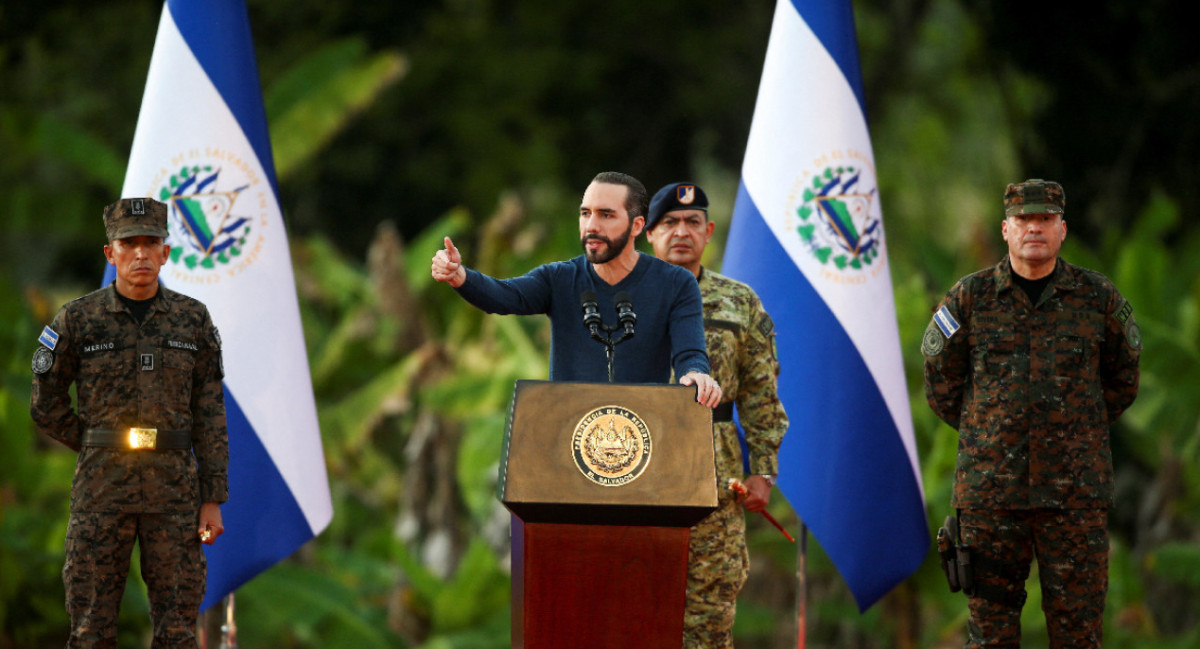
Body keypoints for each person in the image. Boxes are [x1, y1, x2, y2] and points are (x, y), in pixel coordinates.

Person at [922, 179, 1140, 648]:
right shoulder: (970, 299)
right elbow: (941, 385)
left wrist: (1073, 430)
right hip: (991, 497)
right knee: (991, 636)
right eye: (1024, 219)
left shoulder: (1097, 299)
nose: (1034, 228)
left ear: (1062, 230)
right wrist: (992, 430)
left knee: (1079, 634)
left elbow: (1123, 381)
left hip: (1075, 496)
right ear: (1005, 229)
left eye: (1045, 219)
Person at [31, 197, 228, 649]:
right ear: (110, 253)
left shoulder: (192, 320)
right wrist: (94, 442)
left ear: (166, 252)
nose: (140, 253)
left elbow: (210, 410)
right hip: (102, 492)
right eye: (128, 243)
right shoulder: (78, 320)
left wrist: (213, 497)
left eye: (150, 243)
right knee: (90, 631)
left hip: (175, 495)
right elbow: (45, 402)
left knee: (178, 632)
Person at [430, 171, 722, 405]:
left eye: (606, 215)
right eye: (585, 214)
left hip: (642, 441)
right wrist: (460, 276)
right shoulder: (559, 278)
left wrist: (696, 376)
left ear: (636, 226)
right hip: (568, 439)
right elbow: (506, 296)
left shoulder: (676, 283)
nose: (591, 226)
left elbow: (689, 354)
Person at [644, 182, 788, 649]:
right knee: (631, 604)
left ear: (708, 233)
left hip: (713, 470)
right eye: (668, 223)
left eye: (691, 223)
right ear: (647, 233)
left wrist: (763, 469)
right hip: (632, 468)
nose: (680, 232)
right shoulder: (619, 296)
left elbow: (762, 391)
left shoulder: (739, 301)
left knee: (709, 610)